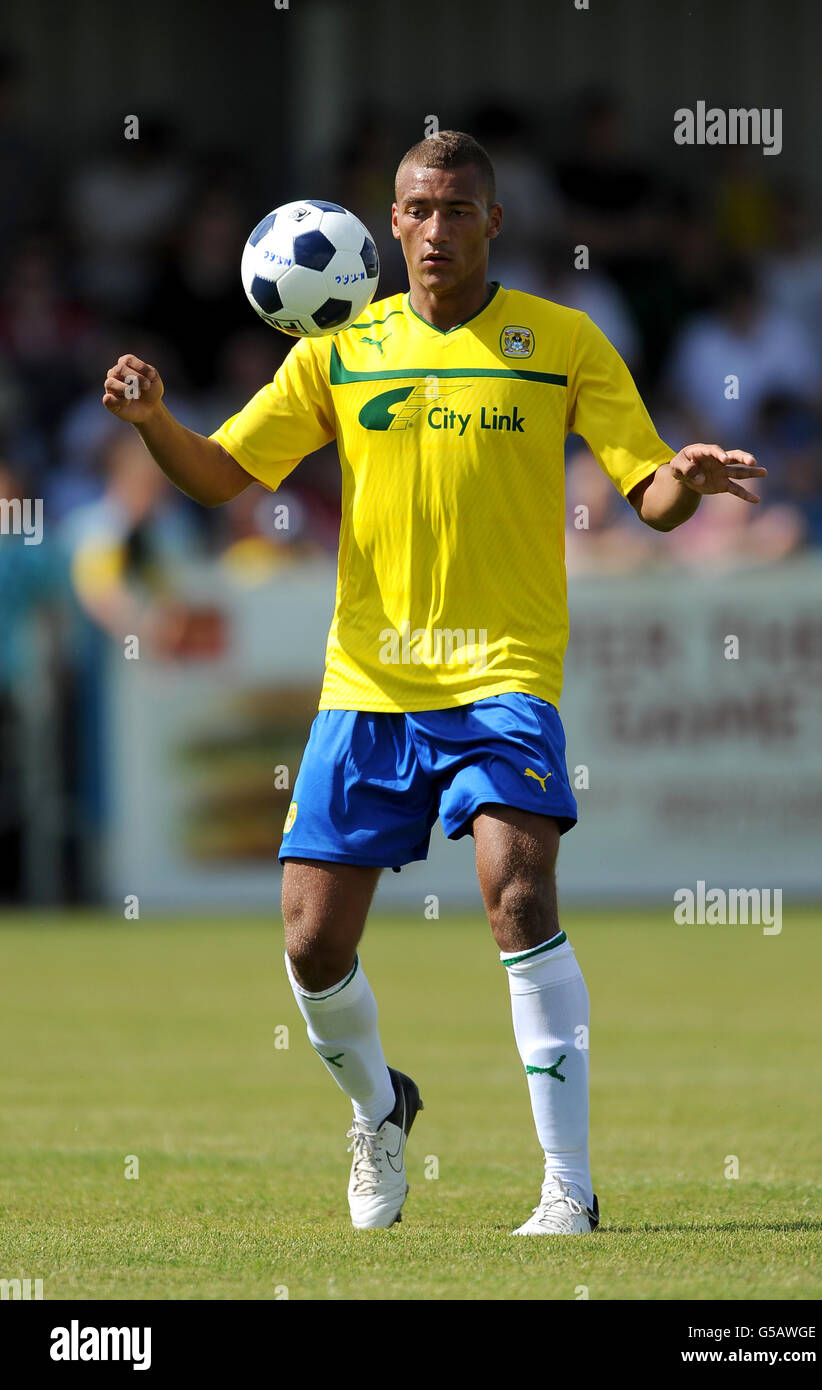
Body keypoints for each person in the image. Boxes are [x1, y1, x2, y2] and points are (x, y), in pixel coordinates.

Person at [102, 130, 765, 1236]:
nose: (435, 229)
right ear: (388, 224)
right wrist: (153, 423)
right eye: (417, 209)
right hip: (367, 683)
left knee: (517, 892)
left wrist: (682, 483)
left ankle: (567, 1186)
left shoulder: (558, 340)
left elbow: (645, 486)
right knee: (313, 945)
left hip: (502, 672)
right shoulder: (339, 349)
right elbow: (220, 474)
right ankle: (380, 1107)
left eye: (458, 210)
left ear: (492, 224)